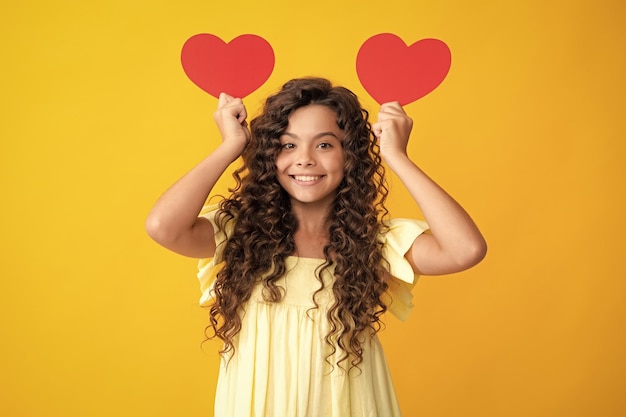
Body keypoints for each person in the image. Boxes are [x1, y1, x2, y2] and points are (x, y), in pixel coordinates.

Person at [146, 77, 486, 417]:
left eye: (324, 145)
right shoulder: (240, 233)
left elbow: (465, 250)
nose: (305, 159)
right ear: (269, 154)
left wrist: (397, 156)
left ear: (349, 155)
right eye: (288, 145)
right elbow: (163, 227)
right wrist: (230, 146)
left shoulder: (374, 243)